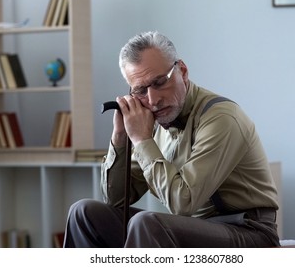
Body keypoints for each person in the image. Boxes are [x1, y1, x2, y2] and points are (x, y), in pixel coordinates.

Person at [63, 31, 280, 248]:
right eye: (140, 90)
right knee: (84, 213)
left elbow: (182, 203)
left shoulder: (222, 118)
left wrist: (141, 141)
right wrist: (121, 138)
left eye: (159, 82)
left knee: (146, 223)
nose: (153, 100)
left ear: (182, 71)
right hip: (196, 228)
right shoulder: (153, 123)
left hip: (250, 232)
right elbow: (116, 200)